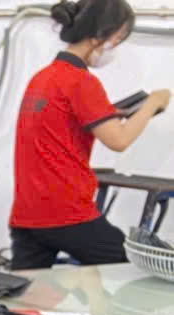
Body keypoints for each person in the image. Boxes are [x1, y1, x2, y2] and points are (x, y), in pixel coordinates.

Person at [9, 0, 169, 269]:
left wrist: (114, 114)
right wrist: (153, 103)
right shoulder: (81, 81)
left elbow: (62, 127)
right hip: (67, 214)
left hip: (28, 214)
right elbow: (118, 140)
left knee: (29, 291)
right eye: (117, 39)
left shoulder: (43, 78)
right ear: (99, 37)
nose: (115, 47)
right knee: (135, 267)